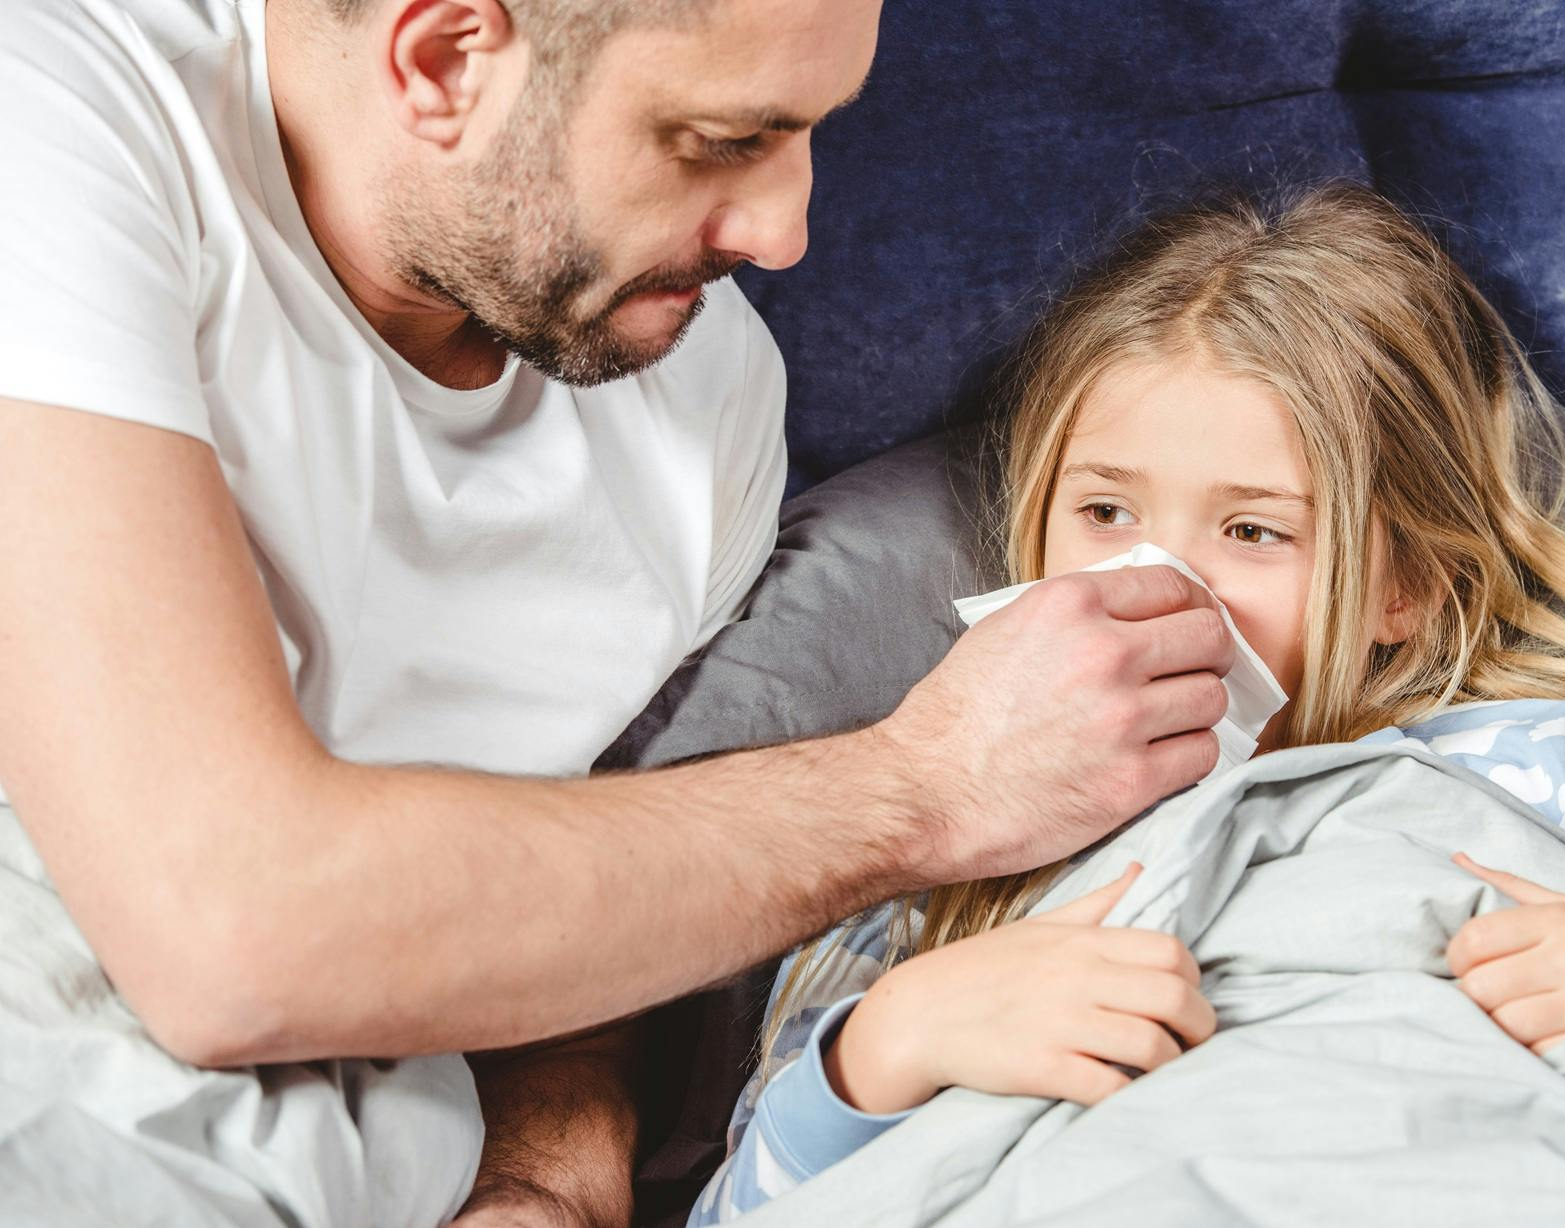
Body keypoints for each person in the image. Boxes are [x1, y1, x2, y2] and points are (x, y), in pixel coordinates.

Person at [0, 0, 1245, 1223]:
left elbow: (615, 885)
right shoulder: (61, 119)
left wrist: (549, 1171)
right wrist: (925, 786)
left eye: (812, 132)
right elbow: (231, 933)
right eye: (721, 141)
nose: (784, 232)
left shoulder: (704, 393)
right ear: (442, 59)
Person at [688, 184, 1565, 1224]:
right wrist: (897, 1037)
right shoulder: (946, 829)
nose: (1152, 578)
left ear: (1403, 585)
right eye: (1102, 513)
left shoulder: (1540, 764)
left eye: (1251, 531)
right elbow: (747, 1200)